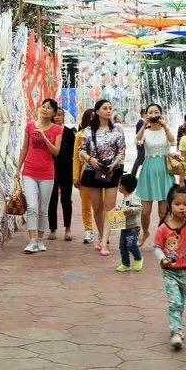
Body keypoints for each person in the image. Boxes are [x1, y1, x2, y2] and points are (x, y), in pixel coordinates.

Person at [154, 185, 186, 350]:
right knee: (174, 301)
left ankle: (177, 326)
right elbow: (157, 247)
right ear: (170, 205)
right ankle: (176, 332)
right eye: (177, 204)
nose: (182, 207)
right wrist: (162, 259)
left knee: (180, 301)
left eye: (185, 204)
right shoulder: (163, 228)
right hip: (170, 271)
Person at [79, 99, 126, 255]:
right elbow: (81, 150)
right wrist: (90, 160)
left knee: (110, 207)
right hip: (92, 170)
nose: (108, 111)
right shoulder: (88, 130)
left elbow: (121, 150)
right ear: (97, 111)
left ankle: (105, 241)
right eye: (105, 108)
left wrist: (115, 163)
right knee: (97, 207)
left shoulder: (117, 129)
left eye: (110, 108)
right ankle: (101, 235)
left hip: (113, 170)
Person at [16, 99, 63, 254]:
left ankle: (40, 240)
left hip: (47, 174)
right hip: (29, 171)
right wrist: (18, 169)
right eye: (43, 106)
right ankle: (32, 241)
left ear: (53, 113)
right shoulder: (30, 125)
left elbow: (56, 151)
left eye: (49, 108)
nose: (45, 109)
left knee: (43, 209)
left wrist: (44, 137)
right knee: (32, 207)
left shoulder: (57, 129)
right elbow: (24, 148)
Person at [135, 103, 175, 247]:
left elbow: (173, 141)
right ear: (146, 115)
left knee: (163, 211)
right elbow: (137, 141)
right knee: (145, 211)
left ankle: (162, 236)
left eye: (156, 112)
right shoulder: (145, 131)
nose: (153, 115)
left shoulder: (165, 130)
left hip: (164, 171)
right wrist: (143, 125)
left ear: (161, 114)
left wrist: (165, 126)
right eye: (150, 112)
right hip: (149, 170)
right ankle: (145, 232)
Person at [48, 108, 76, 241]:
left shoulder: (69, 133)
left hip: (66, 170)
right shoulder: (49, 131)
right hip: (50, 170)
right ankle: (52, 229)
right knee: (52, 199)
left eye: (60, 115)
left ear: (64, 117)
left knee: (66, 200)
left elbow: (74, 153)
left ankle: (68, 228)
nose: (57, 117)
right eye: (55, 115)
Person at [73, 108, 95, 244]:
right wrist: (75, 176)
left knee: (106, 205)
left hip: (104, 174)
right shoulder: (80, 135)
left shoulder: (107, 133)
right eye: (90, 116)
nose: (93, 118)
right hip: (85, 173)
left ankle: (105, 232)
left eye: (95, 116)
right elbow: (76, 157)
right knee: (86, 205)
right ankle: (88, 230)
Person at [115, 174, 143, 272]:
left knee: (131, 245)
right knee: (122, 246)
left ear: (122, 187)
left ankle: (138, 258)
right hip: (124, 227)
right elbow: (120, 207)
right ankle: (125, 264)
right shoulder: (124, 198)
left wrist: (129, 210)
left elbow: (139, 207)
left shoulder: (134, 198)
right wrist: (116, 209)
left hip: (133, 228)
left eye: (119, 184)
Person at [130, 108, 147, 177]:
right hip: (141, 143)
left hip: (141, 143)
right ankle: (132, 175)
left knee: (141, 159)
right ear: (143, 114)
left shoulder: (141, 122)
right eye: (147, 113)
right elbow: (140, 134)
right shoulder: (142, 122)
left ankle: (134, 174)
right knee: (139, 160)